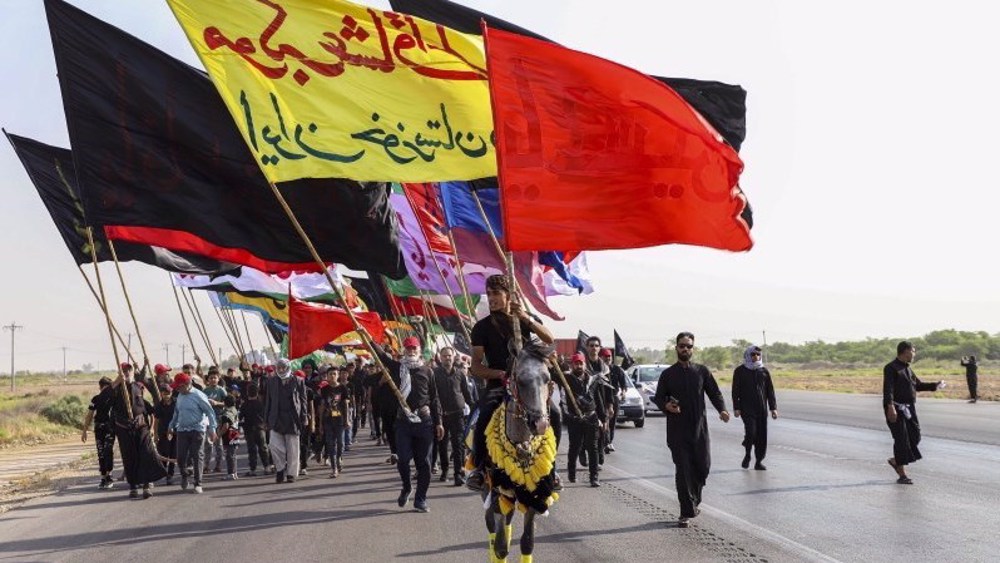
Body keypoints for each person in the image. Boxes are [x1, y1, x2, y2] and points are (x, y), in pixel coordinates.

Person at [467, 274, 554, 491]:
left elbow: (549, 339)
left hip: (530, 385)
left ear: (509, 295)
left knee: (557, 415)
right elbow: (475, 366)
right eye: (489, 294)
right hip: (499, 385)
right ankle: (478, 468)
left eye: (496, 293)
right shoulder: (482, 328)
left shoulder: (525, 319)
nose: (492, 298)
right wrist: (499, 374)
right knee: (483, 414)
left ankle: (553, 470)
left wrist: (525, 317)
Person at [652, 332, 730, 527]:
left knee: (702, 468)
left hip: (699, 430)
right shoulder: (668, 374)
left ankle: (693, 501)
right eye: (681, 346)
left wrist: (722, 409)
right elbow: (659, 397)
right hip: (677, 431)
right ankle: (685, 511)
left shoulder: (701, 371)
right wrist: (666, 406)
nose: (685, 349)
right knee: (683, 471)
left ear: (692, 349)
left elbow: (714, 392)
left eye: (688, 346)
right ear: (676, 348)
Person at [375, 336, 443, 513]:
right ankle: (406, 487)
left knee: (424, 464)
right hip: (403, 421)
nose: (411, 351)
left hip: (424, 422)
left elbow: (434, 398)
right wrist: (366, 335)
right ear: (404, 351)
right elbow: (381, 355)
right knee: (403, 459)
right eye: (408, 348)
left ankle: (420, 499)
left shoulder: (427, 371)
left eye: (414, 348)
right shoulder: (397, 368)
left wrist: (439, 422)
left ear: (419, 350)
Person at [884, 342, 944, 484]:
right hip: (896, 408)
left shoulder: (908, 369)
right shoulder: (891, 368)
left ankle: (896, 460)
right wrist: (890, 406)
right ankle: (902, 474)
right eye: (913, 351)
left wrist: (935, 385)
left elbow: (917, 385)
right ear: (905, 351)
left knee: (915, 436)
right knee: (901, 440)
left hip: (909, 409)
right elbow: (888, 389)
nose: (914, 354)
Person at [110, 363, 167, 499]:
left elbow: (149, 409)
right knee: (129, 457)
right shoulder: (115, 388)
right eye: (123, 370)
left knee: (146, 454)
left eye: (128, 370)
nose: (126, 372)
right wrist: (117, 382)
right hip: (124, 428)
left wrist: (153, 427)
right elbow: (104, 399)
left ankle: (146, 485)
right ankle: (133, 486)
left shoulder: (138, 387)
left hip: (141, 426)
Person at [167, 372, 217, 494]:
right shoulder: (180, 396)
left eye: (180, 386)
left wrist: (212, 429)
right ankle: (184, 475)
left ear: (187, 384)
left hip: (197, 430)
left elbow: (210, 412)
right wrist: (171, 425)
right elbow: (177, 412)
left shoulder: (199, 396)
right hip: (182, 430)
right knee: (180, 457)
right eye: (177, 387)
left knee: (197, 456)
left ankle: (198, 483)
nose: (177, 389)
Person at [562, 352, 605, 487]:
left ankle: (594, 477)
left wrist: (603, 418)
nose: (579, 366)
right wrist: (554, 361)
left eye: (581, 363)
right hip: (575, 419)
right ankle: (572, 473)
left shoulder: (592, 380)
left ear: (584, 364)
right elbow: (552, 373)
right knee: (575, 446)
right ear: (572, 365)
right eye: (576, 363)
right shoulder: (566, 379)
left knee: (593, 448)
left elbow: (598, 399)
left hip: (591, 417)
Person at [732, 344, 777, 470]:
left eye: (758, 355)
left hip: (761, 409)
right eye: (753, 354)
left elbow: (770, 391)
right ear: (747, 355)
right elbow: (735, 391)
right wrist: (736, 407)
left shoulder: (764, 371)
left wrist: (773, 408)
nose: (756, 357)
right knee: (751, 432)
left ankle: (758, 461)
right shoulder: (740, 371)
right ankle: (747, 455)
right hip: (747, 408)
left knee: (761, 436)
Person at [432, 346, 473, 486]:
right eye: (444, 356)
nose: (447, 358)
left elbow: (466, 393)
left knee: (458, 445)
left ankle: (458, 474)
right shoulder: (435, 374)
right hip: (442, 416)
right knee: (442, 445)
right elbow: (433, 396)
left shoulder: (460, 373)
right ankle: (444, 470)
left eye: (449, 355)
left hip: (458, 415)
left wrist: (474, 408)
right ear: (440, 357)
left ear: (453, 356)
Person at [265, 358, 309, 484]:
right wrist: (266, 418)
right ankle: (280, 469)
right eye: (279, 367)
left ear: (288, 367)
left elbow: (303, 400)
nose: (281, 369)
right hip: (276, 418)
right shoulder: (271, 381)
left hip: (292, 418)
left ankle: (291, 474)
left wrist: (304, 417)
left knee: (293, 448)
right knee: (274, 446)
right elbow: (268, 401)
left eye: (283, 367)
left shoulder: (298, 381)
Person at [81, 376, 116, 489]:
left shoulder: (114, 398)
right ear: (101, 387)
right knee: (101, 452)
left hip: (110, 428)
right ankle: (103, 477)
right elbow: (90, 415)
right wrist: (84, 431)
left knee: (107, 450)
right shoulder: (95, 399)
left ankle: (109, 476)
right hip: (99, 428)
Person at [239, 382, 272, 476]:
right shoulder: (261, 404)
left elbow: (240, 417)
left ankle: (253, 469)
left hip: (248, 429)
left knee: (251, 449)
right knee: (263, 448)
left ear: (247, 393)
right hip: (260, 428)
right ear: (257, 393)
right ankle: (267, 467)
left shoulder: (244, 405)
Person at [602, 348, 629, 453]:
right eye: (605, 356)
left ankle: (609, 442)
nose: (607, 358)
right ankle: (605, 442)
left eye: (609, 356)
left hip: (614, 398)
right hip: (602, 399)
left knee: (612, 422)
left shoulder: (617, 370)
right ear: (601, 357)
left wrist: (623, 392)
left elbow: (623, 384)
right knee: (604, 422)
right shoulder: (600, 369)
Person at [202, 371, 227, 473]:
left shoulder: (221, 390)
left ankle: (218, 465)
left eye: (215, 378)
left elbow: (227, 403)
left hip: (219, 418)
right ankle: (206, 466)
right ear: (208, 380)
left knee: (218, 443)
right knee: (208, 444)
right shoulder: (205, 391)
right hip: (208, 419)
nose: (213, 380)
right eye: (211, 378)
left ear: (218, 378)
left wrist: (217, 403)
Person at [151, 383, 177, 485]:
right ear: (161, 394)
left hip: (176, 432)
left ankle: (170, 475)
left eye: (169, 393)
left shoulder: (177, 403)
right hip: (163, 433)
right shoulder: (159, 405)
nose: (166, 395)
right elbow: (156, 420)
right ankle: (163, 473)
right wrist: (156, 433)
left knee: (173, 454)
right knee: (164, 453)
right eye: (164, 393)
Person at [218, 395, 241, 480]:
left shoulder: (226, 413)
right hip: (235, 433)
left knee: (229, 455)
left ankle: (231, 473)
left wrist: (219, 434)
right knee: (233, 455)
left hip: (228, 436)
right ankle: (234, 473)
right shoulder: (234, 410)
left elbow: (225, 426)